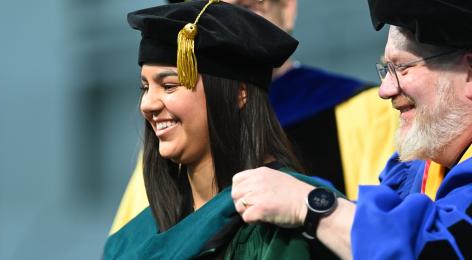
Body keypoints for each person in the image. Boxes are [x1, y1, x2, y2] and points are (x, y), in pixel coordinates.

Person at [110, 0, 398, 235]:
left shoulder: (368, 112)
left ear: (286, 9)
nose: (224, 27)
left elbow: (384, 235)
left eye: (245, 10)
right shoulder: (174, 131)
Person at [231, 0, 472, 259]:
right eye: (386, 69)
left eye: (402, 67)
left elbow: (440, 249)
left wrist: (311, 205)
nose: (385, 89)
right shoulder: (413, 168)